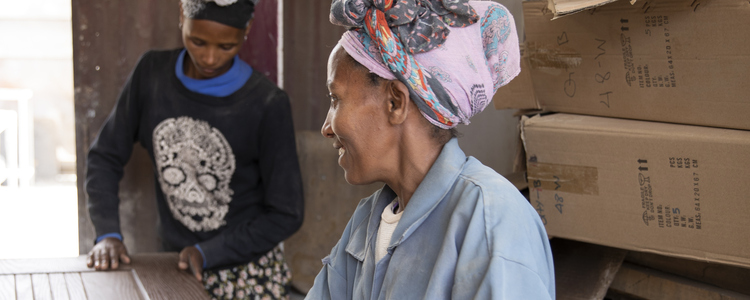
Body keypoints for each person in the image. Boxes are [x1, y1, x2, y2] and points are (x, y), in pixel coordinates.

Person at [306, 0, 555, 299]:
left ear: (395, 103)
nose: (327, 127)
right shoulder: (368, 219)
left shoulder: (493, 220)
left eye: (336, 100)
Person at [84, 0, 304, 299]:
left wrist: (208, 252)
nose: (210, 58)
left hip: (246, 272)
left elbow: (286, 213)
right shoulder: (151, 75)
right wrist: (107, 233)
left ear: (247, 30)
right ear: (181, 16)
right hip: (174, 266)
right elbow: (104, 157)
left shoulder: (267, 104)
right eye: (197, 41)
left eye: (226, 46)